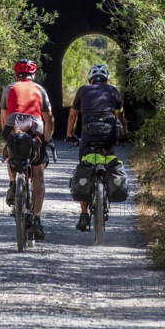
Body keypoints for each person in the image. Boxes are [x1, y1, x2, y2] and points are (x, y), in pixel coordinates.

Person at [65, 64, 127, 232]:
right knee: (109, 160)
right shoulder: (113, 91)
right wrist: (124, 135)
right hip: (109, 133)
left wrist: (70, 135)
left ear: (90, 79)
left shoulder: (83, 90)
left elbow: (72, 116)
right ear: (106, 78)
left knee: (84, 165)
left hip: (88, 132)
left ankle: (84, 214)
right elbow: (120, 116)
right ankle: (108, 185)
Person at [0, 59, 54, 240]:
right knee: (38, 174)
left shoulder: (8, 88)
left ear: (16, 75)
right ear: (34, 75)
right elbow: (50, 119)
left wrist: (7, 140)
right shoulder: (40, 89)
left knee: (10, 150)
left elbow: (3, 117)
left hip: (12, 124)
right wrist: (46, 140)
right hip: (34, 126)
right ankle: (37, 219)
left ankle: (13, 183)